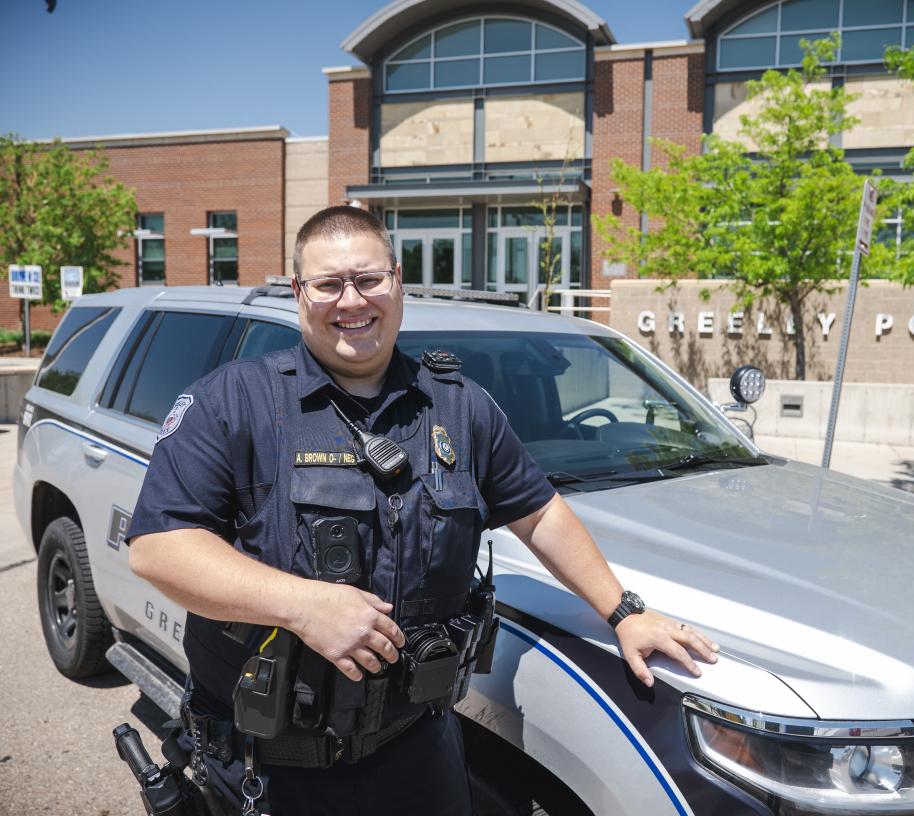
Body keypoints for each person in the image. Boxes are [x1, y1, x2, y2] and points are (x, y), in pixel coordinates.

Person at [127, 205, 718, 814]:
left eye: (369, 279)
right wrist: (301, 606)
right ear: (299, 293)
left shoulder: (460, 408)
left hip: (418, 753)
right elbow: (159, 548)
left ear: (397, 281)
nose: (351, 301)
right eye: (329, 284)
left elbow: (539, 512)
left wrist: (622, 611)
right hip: (270, 769)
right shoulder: (235, 400)